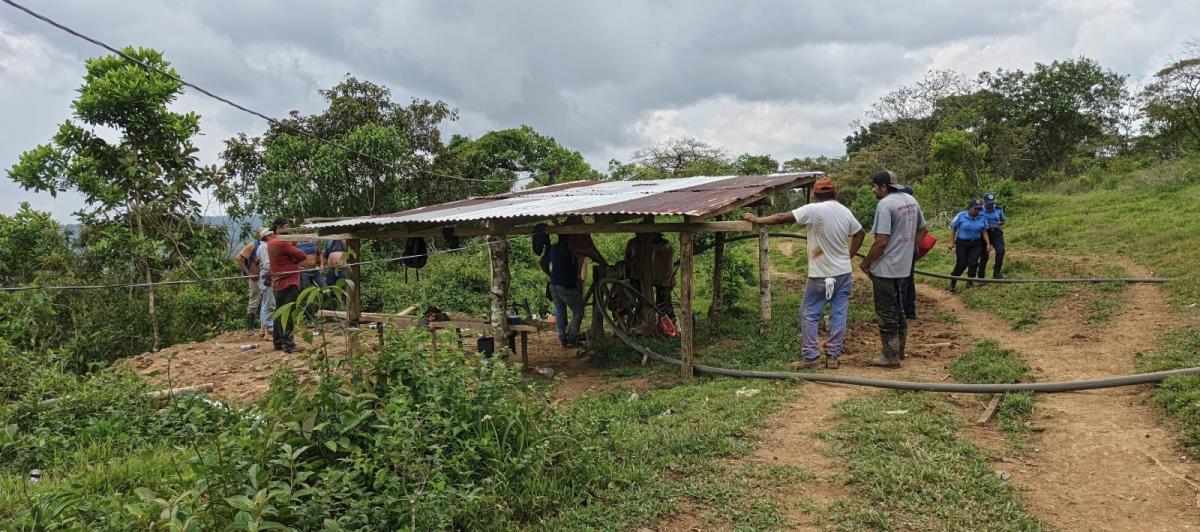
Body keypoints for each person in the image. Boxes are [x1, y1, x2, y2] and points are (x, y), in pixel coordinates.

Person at [742, 177, 865, 368]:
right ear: (836, 194)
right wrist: (849, 255)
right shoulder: (845, 211)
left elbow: (782, 217)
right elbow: (860, 233)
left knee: (809, 313)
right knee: (839, 313)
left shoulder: (812, 209)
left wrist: (757, 220)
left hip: (820, 275)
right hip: (842, 273)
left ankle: (811, 356)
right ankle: (832, 356)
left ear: (815, 196)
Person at [859, 170, 928, 368]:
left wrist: (866, 264)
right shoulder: (910, 200)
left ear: (884, 187)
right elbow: (923, 229)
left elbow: (881, 241)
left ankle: (890, 357)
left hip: (886, 269)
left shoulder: (885, 205)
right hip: (903, 267)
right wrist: (911, 250)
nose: (873, 190)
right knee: (898, 308)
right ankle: (900, 351)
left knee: (886, 311)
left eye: (875, 186)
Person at [539, 217, 607, 347]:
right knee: (579, 311)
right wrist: (604, 264)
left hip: (553, 284)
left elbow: (542, 263)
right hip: (566, 285)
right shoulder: (573, 248)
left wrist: (551, 274)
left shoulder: (553, 248)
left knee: (559, 310)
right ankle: (572, 337)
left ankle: (562, 336)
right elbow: (591, 252)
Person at [267, 218, 308, 352]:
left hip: (278, 283)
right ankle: (288, 344)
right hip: (288, 282)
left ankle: (278, 343)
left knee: (279, 313)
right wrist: (294, 258)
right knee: (288, 314)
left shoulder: (271, 242)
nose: (288, 229)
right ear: (278, 229)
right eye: (286, 227)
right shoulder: (281, 242)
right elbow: (301, 255)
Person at [624, 232, 675, 318]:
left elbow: (667, 265)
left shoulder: (665, 246)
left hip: (663, 279)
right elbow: (627, 261)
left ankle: (667, 325)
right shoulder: (633, 244)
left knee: (664, 305)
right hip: (639, 277)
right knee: (640, 302)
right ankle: (640, 321)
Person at [947, 199, 992, 293]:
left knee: (974, 263)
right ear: (970, 208)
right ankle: (953, 282)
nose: (977, 211)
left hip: (976, 243)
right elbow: (954, 228)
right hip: (962, 243)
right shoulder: (961, 215)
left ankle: (970, 282)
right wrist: (951, 242)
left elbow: (984, 231)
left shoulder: (982, 217)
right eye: (975, 209)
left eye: (979, 209)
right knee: (962, 264)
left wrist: (988, 244)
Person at [235, 233, 263, 332]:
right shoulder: (253, 245)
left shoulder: (267, 244)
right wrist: (248, 272)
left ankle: (264, 328)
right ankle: (250, 328)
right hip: (255, 277)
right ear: (258, 235)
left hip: (266, 276)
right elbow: (238, 258)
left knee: (267, 302)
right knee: (254, 300)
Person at [898, 185, 918, 320]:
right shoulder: (915, 208)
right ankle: (910, 310)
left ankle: (903, 311)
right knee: (909, 279)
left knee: (903, 281)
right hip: (911, 247)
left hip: (904, 248)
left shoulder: (903, 211)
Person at [978, 192, 1007, 279]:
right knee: (984, 255)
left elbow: (1003, 220)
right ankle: (981, 276)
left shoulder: (998, 209)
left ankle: (997, 272)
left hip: (996, 233)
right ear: (984, 202)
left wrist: (1000, 223)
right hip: (984, 233)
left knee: (1000, 251)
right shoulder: (979, 211)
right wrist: (986, 225)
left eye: (992, 203)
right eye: (989, 203)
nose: (991, 205)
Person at [255, 227, 275, 338]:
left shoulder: (264, 246)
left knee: (266, 303)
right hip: (267, 277)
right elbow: (267, 265)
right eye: (271, 235)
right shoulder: (263, 247)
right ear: (266, 237)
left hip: (267, 276)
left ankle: (266, 329)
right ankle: (271, 328)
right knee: (269, 304)